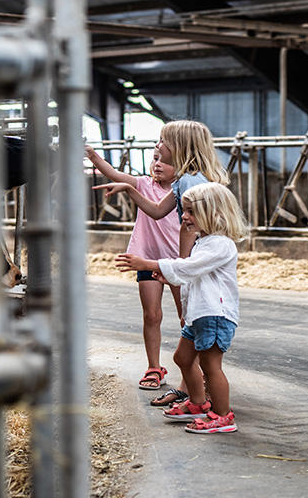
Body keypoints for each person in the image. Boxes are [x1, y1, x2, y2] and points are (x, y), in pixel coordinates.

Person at [93, 120, 230, 406]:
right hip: (185, 262)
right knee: (185, 333)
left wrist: (179, 265)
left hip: (194, 261)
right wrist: (129, 190)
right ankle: (191, 393)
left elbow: (191, 227)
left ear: (179, 147)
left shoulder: (193, 182)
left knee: (191, 325)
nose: (157, 147)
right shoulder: (185, 180)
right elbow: (156, 211)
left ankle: (206, 403)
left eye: (161, 141)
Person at [116, 182, 248, 433]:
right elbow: (193, 272)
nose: (184, 216)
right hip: (199, 314)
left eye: (190, 211)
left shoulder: (221, 244)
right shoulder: (204, 242)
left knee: (211, 366)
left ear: (215, 214)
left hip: (214, 315)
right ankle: (198, 404)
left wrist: (148, 263)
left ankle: (222, 416)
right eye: (184, 210)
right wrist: (170, 277)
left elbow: (188, 268)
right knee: (182, 358)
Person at [85, 144, 182, 391]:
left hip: (178, 261)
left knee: (187, 318)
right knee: (152, 315)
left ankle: (195, 367)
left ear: (181, 165)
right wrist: (92, 155)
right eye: (156, 159)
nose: (158, 164)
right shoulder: (143, 184)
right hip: (146, 258)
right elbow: (113, 174)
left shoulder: (185, 188)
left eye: (165, 161)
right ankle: (153, 367)